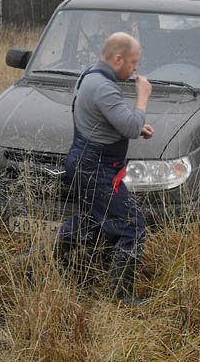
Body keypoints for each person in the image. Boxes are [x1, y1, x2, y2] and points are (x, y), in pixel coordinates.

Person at [56, 32, 155, 304]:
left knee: (92, 224)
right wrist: (143, 97)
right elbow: (131, 125)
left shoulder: (89, 75)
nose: (136, 69)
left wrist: (133, 125)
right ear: (118, 58)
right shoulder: (103, 86)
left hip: (86, 163)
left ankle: (44, 257)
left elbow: (114, 120)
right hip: (96, 168)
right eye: (134, 62)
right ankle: (121, 297)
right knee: (131, 225)